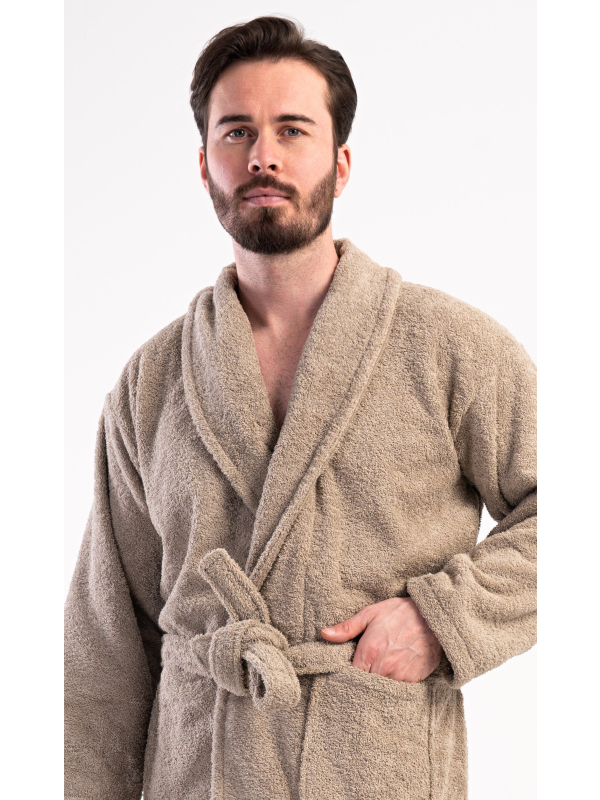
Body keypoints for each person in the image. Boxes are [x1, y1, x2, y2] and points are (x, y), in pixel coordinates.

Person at [64, 15, 536, 800]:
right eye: (236, 132)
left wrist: (442, 619)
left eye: (292, 129)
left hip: (375, 768)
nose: (263, 156)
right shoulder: (151, 383)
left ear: (341, 164)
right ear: (205, 165)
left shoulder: (451, 347)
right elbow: (105, 644)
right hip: (198, 774)